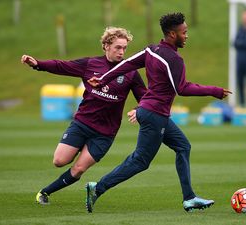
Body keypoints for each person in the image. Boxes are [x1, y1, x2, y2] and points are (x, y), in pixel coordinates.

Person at [86, 12, 232, 213]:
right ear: (172, 34)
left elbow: (126, 64)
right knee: (140, 161)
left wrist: (103, 79)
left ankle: (189, 198)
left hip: (150, 111)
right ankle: (98, 188)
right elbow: (182, 88)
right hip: (155, 114)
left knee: (183, 146)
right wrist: (214, 91)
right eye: (184, 32)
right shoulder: (173, 59)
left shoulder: (151, 50)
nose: (186, 36)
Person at [20, 27, 146, 205]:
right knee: (59, 161)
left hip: (105, 133)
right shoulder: (91, 64)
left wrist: (139, 109)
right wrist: (38, 64)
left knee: (79, 169)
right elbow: (61, 66)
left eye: (124, 48)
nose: (122, 52)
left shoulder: (130, 72)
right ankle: (74, 148)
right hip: (83, 123)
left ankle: (45, 192)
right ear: (106, 46)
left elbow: (145, 97)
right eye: (118, 47)